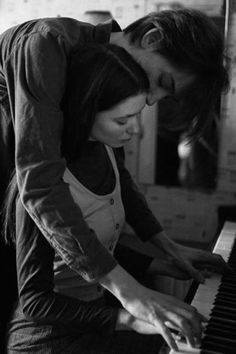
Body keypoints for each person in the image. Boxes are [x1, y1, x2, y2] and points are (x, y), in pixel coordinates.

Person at [0, 7, 229, 352]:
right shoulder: (45, 44)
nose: (152, 100)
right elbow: (40, 183)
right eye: (162, 83)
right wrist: (129, 293)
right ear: (151, 39)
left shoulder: (107, 68)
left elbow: (117, 174)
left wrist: (165, 245)